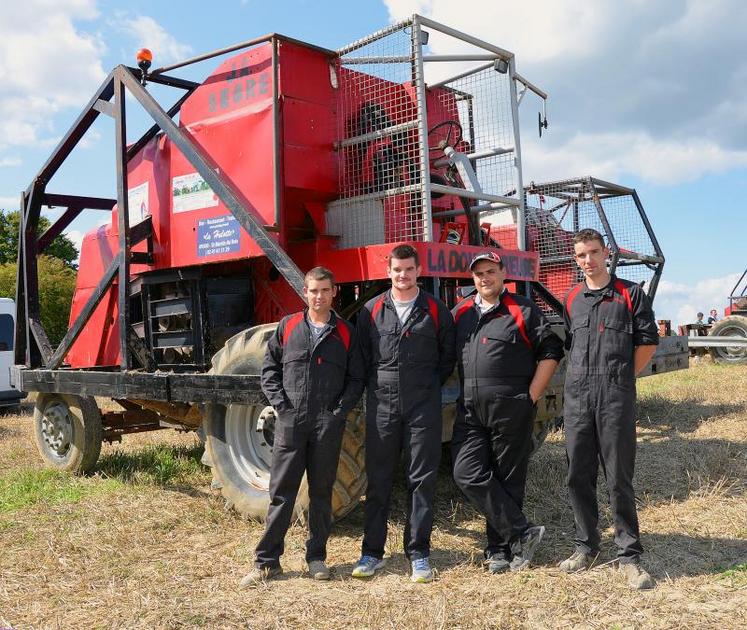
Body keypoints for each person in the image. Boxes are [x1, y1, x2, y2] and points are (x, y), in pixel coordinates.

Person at [240, 266, 365, 586]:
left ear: (334, 292)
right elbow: (269, 371)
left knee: (322, 494)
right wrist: (282, 408)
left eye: (325, 290)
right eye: (313, 290)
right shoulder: (288, 326)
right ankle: (267, 562)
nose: (319, 296)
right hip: (291, 423)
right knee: (282, 493)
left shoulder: (346, 333)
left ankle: (316, 558)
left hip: (327, 424)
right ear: (305, 292)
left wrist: (338, 412)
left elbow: (356, 379)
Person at [451, 252, 563, 573]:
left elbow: (551, 350)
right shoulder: (460, 313)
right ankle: (522, 531)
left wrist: (530, 396)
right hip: (470, 410)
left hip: (511, 407)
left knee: (508, 479)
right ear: (472, 279)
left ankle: (500, 550)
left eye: (490, 271)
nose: (484, 278)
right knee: (467, 473)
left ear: (503, 274)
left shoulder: (522, 309)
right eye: (478, 274)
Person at [560, 229, 659, 590]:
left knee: (618, 477)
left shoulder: (630, 294)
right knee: (578, 475)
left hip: (614, 395)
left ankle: (629, 555)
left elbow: (647, 343)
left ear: (607, 254)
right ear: (576, 259)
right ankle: (586, 546)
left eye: (594, 252)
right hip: (577, 397)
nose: (589, 260)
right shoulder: (572, 297)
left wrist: (621, 377)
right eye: (582, 255)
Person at [352, 244, 456, 583]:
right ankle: (372, 553)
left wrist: (422, 386)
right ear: (389, 271)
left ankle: (419, 554)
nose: (403, 275)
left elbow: (447, 358)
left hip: (422, 405)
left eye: (409, 269)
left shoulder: (436, 310)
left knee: (421, 480)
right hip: (382, 405)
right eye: (397, 270)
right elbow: (362, 358)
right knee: (378, 480)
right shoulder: (370, 311)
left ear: (418, 270)